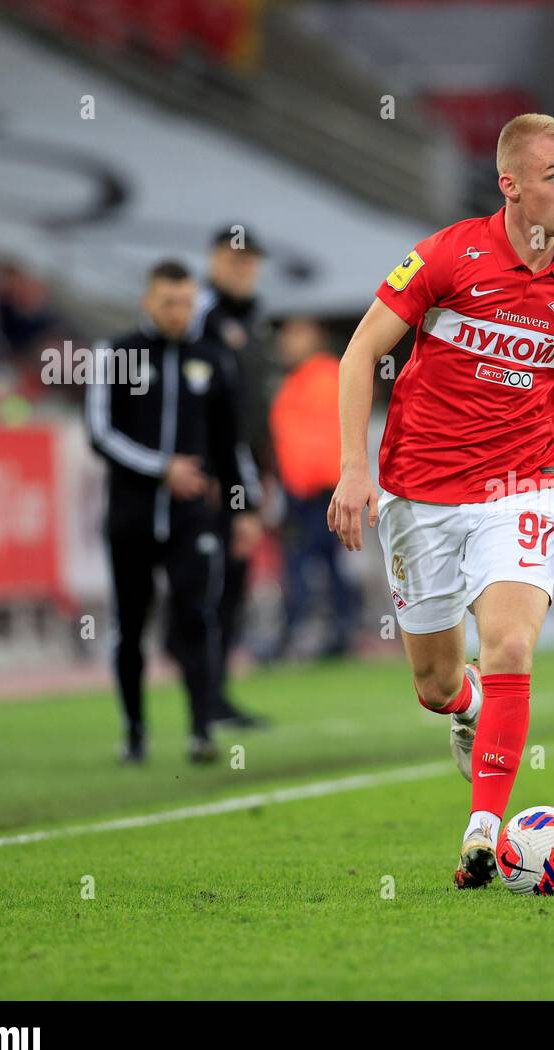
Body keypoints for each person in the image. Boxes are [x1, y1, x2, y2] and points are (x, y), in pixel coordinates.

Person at [327, 113, 554, 889]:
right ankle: (466, 707)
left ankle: (482, 833)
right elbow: (361, 351)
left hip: (517, 487)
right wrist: (354, 467)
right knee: (433, 684)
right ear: (512, 184)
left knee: (514, 647)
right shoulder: (447, 255)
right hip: (417, 492)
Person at [87, 260, 262, 764]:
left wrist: (245, 505)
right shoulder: (114, 355)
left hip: (194, 518)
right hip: (131, 516)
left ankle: (201, 730)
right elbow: (100, 434)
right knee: (130, 623)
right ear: (147, 300)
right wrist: (160, 468)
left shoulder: (213, 358)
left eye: (185, 303)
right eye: (167, 302)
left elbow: (232, 443)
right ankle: (135, 731)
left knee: (197, 615)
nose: (177, 312)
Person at [190, 225, 272, 727]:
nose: (244, 271)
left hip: (245, 472)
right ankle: (203, 701)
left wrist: (267, 473)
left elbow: (256, 410)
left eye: (250, 263)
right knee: (206, 585)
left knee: (233, 585)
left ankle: (216, 695)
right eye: (235, 261)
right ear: (215, 260)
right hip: (210, 476)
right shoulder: (201, 317)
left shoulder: (254, 322)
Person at [268, 314, 359, 659]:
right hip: (299, 487)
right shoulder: (298, 380)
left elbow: (324, 436)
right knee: (315, 562)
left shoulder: (325, 375)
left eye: (295, 333)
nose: (287, 342)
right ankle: (328, 631)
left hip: (321, 488)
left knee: (316, 562)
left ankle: (324, 631)